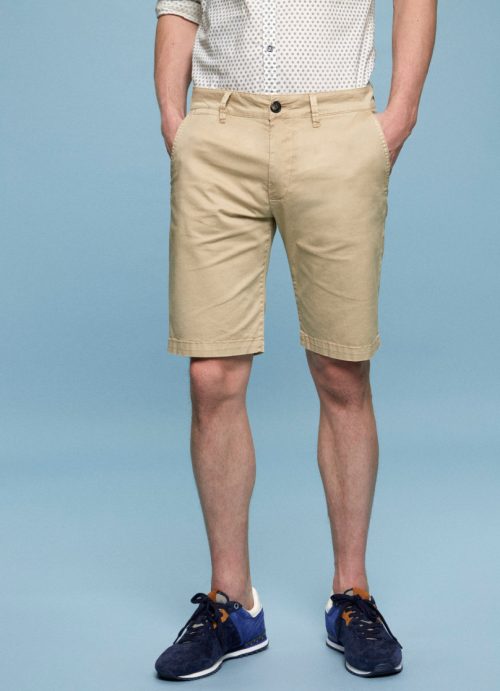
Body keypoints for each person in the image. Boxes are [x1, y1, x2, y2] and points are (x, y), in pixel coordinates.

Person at [153, 0, 436, 681]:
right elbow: (178, 5)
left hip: (335, 127)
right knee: (211, 376)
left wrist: (399, 114)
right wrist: (174, 120)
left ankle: (352, 595)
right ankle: (231, 605)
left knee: (341, 370)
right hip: (220, 129)